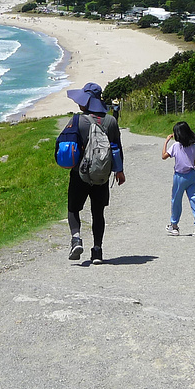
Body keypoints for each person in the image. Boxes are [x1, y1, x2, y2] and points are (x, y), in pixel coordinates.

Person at [62, 82, 125, 264]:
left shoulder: (77, 120)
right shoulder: (111, 121)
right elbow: (116, 149)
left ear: (87, 101)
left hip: (79, 175)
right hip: (101, 176)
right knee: (98, 213)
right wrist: (119, 172)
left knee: (73, 209)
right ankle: (97, 251)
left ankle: (76, 239)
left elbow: (64, 145)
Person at [162, 121, 195, 238]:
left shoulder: (175, 146)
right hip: (192, 175)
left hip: (179, 176)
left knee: (176, 200)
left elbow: (164, 156)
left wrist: (166, 141)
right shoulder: (194, 146)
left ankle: (174, 226)